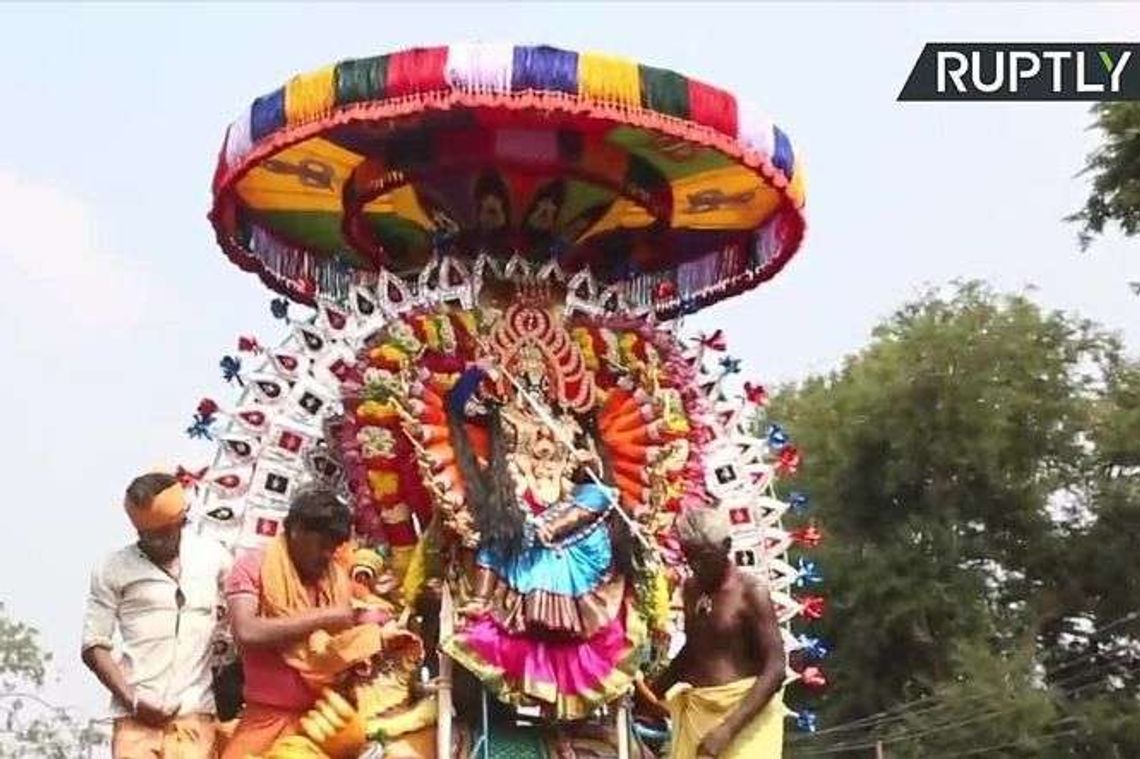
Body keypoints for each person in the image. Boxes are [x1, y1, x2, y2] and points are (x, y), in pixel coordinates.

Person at [221, 486, 379, 758]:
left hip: (326, 723)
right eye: (322, 544)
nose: (328, 554)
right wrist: (327, 617)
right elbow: (246, 631)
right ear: (296, 530)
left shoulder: (337, 578)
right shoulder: (252, 567)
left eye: (334, 547)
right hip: (264, 721)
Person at [82, 471, 231, 758]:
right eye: (147, 536)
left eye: (164, 533)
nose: (156, 543)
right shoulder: (113, 567)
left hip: (195, 718)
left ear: (181, 521)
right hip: (135, 722)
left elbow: (241, 616)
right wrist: (133, 700)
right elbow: (93, 645)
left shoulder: (214, 557)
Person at [646, 508, 785, 759]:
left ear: (727, 546)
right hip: (698, 714)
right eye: (689, 557)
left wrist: (726, 731)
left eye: (704, 557)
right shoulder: (690, 589)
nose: (696, 566)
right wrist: (651, 692)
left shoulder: (752, 592)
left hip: (744, 720)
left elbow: (775, 669)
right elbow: (694, 650)